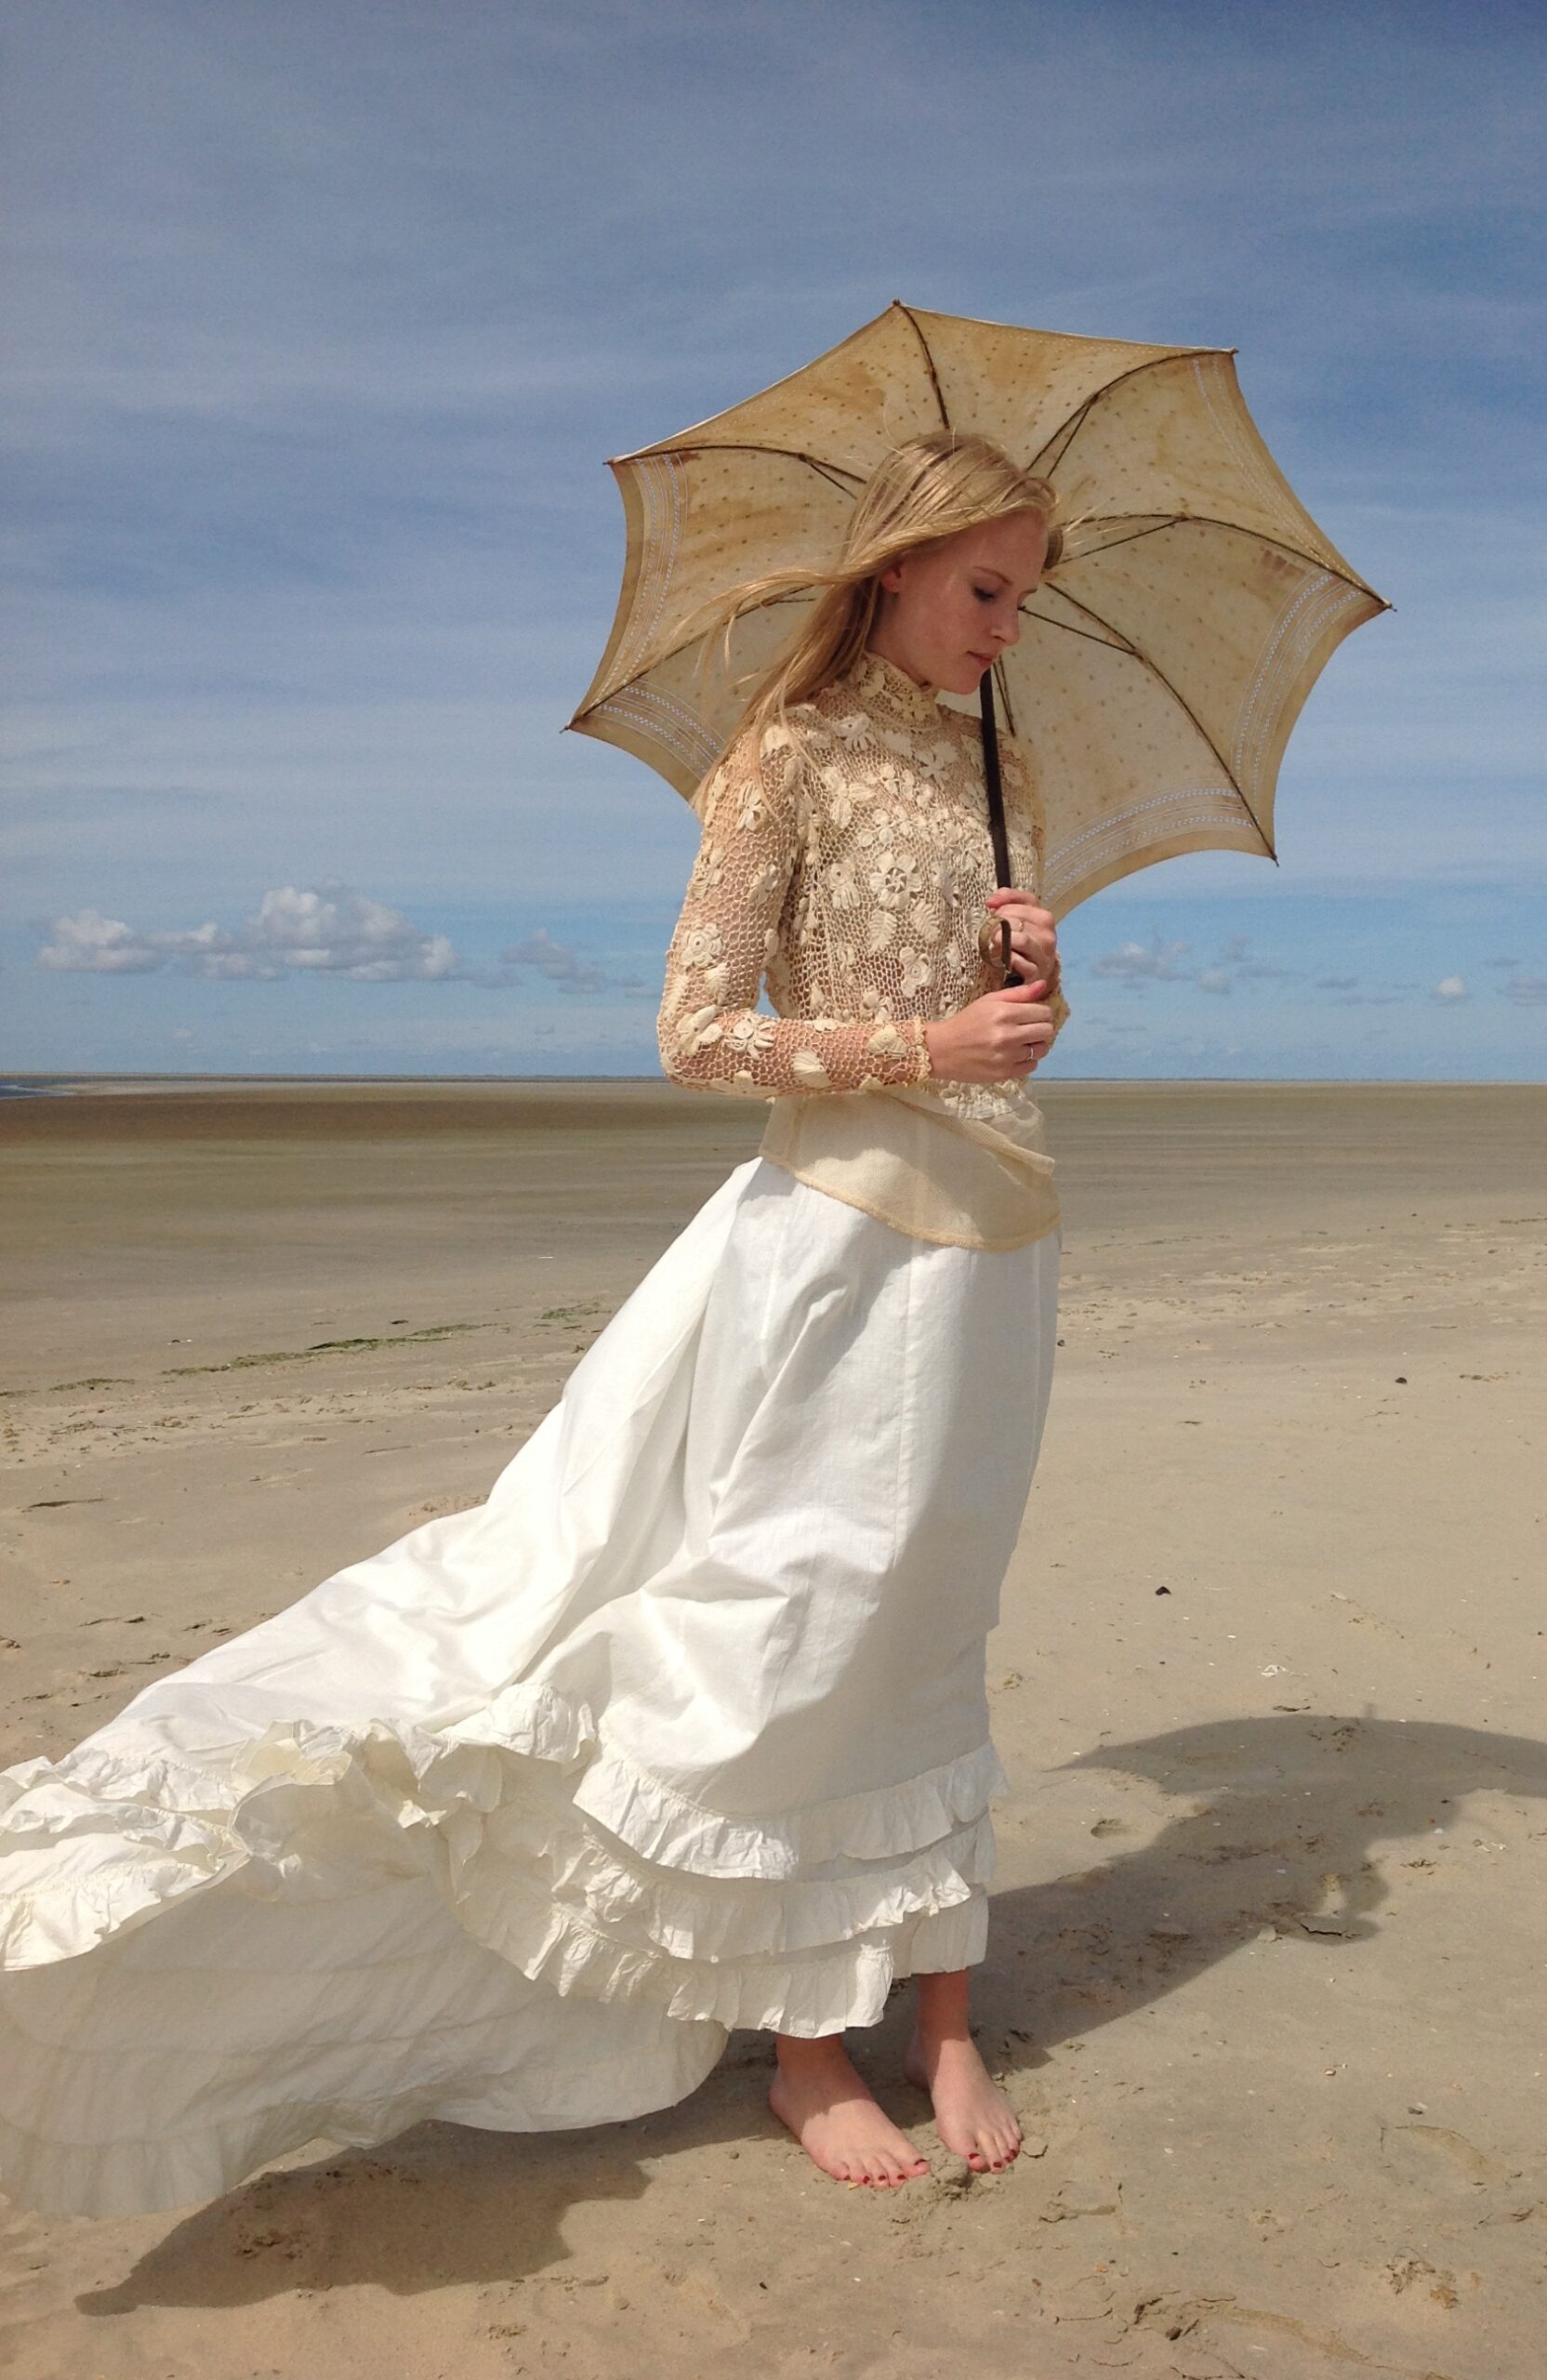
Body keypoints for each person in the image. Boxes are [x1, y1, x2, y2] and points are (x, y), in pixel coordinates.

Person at [0, 432, 1070, 2215]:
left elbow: (1001, 1028)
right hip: (837, 1254)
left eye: (1031, 597)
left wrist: (1027, 985)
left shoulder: (1001, 760)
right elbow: (695, 1031)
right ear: (897, 565)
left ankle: (942, 2009)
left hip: (1001, 1245)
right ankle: (809, 2043)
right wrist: (924, 1048)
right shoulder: (786, 755)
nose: (1008, 627)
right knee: (804, 1621)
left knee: (938, 1613)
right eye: (986, 589)